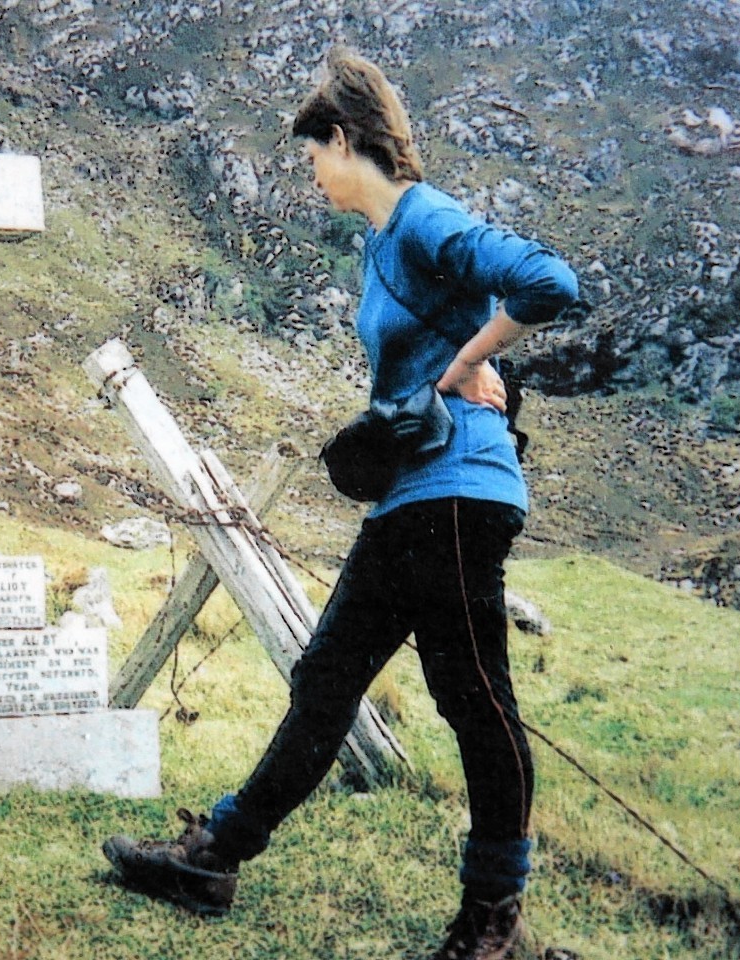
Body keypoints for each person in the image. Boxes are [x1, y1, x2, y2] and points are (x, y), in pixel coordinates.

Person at [102, 47, 581, 960]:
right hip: (404, 501)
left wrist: (467, 363)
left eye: (311, 154)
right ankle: (213, 857)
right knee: (324, 683)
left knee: (472, 698)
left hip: (456, 495)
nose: (309, 173)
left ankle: (492, 924)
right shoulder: (379, 245)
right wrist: (450, 369)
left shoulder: (423, 220)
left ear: (344, 138)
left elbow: (547, 283)